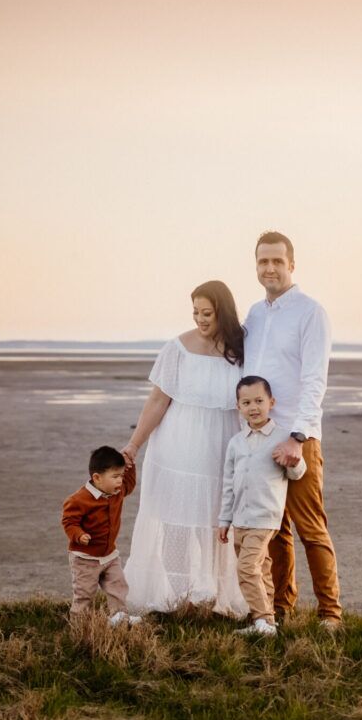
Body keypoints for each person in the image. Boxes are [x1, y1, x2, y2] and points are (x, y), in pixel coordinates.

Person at [121, 281, 247, 616]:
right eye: (195, 312)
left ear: (223, 311)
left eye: (207, 313)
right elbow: (158, 400)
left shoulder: (242, 348)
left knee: (216, 526)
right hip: (177, 446)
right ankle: (179, 597)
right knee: (175, 523)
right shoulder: (177, 348)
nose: (200, 319)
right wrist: (134, 445)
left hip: (222, 448)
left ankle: (214, 597)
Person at [243, 231, 342, 627]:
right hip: (262, 437)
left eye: (277, 261)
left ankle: (330, 614)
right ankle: (282, 608)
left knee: (310, 528)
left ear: (291, 265)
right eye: (263, 261)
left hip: (299, 438)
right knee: (274, 529)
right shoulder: (253, 314)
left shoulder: (310, 312)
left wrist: (298, 437)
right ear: (256, 266)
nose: (270, 268)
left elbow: (315, 379)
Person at [218, 376, 306, 636]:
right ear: (239, 407)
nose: (253, 407)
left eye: (259, 401)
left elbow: (297, 474)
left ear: (271, 402)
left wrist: (293, 461)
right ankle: (268, 619)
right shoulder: (236, 442)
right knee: (262, 567)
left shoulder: (282, 438)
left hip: (265, 518)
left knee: (246, 568)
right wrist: (224, 520)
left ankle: (263, 620)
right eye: (246, 402)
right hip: (240, 519)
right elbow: (228, 485)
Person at [61, 445, 140, 624]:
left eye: (121, 475)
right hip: (85, 558)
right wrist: (78, 535)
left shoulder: (116, 492)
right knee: (85, 594)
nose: (120, 481)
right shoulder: (78, 500)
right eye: (115, 476)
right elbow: (69, 522)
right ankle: (80, 626)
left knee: (118, 587)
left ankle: (120, 618)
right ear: (97, 477)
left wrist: (130, 465)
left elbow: (130, 484)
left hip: (110, 555)